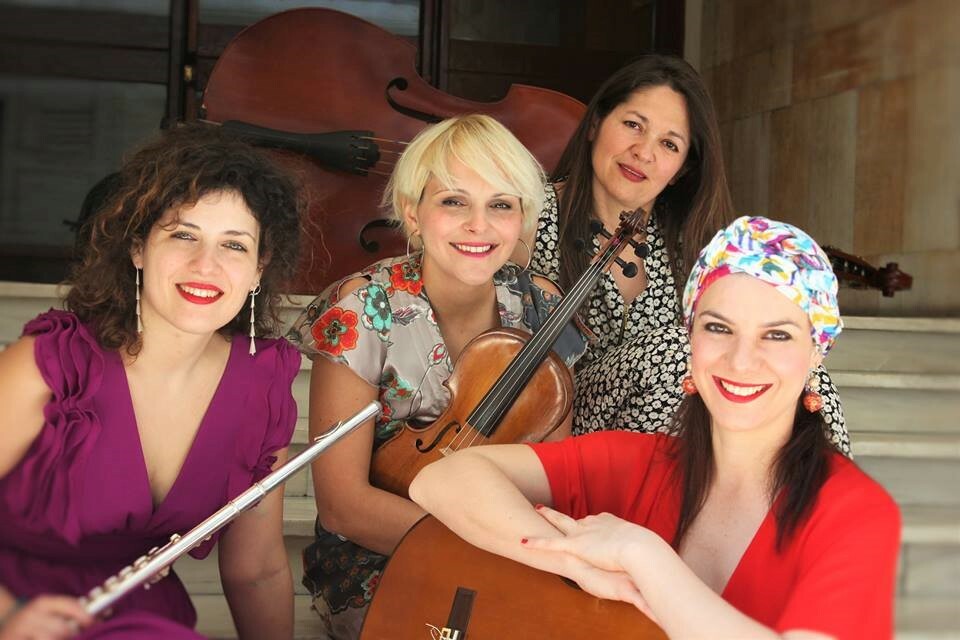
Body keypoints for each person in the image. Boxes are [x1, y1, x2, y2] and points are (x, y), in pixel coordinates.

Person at [412, 216, 901, 639]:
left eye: (777, 335)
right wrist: (575, 564)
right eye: (718, 327)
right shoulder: (639, 462)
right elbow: (442, 479)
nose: (740, 360)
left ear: (816, 351)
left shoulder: (856, 513)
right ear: (690, 337)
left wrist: (644, 556)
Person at [285, 114, 587, 639]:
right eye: (453, 201)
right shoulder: (362, 309)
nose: (479, 225)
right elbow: (344, 505)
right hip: (380, 553)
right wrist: (480, 547)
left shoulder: (541, 306)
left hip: (508, 547)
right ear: (413, 212)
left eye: (501, 204)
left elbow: (550, 473)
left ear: (523, 218)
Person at [0, 123, 304, 640]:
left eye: (234, 245)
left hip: (137, 618)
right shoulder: (53, 362)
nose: (206, 265)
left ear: (259, 269)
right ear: (138, 248)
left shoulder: (263, 385)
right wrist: (9, 616)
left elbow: (256, 570)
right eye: (183, 235)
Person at [522, 53, 849, 455]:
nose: (643, 152)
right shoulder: (526, 214)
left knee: (807, 374)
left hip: (675, 433)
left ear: (681, 169)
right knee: (681, 350)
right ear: (595, 124)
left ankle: (827, 493)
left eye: (668, 143)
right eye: (633, 125)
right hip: (558, 418)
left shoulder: (690, 245)